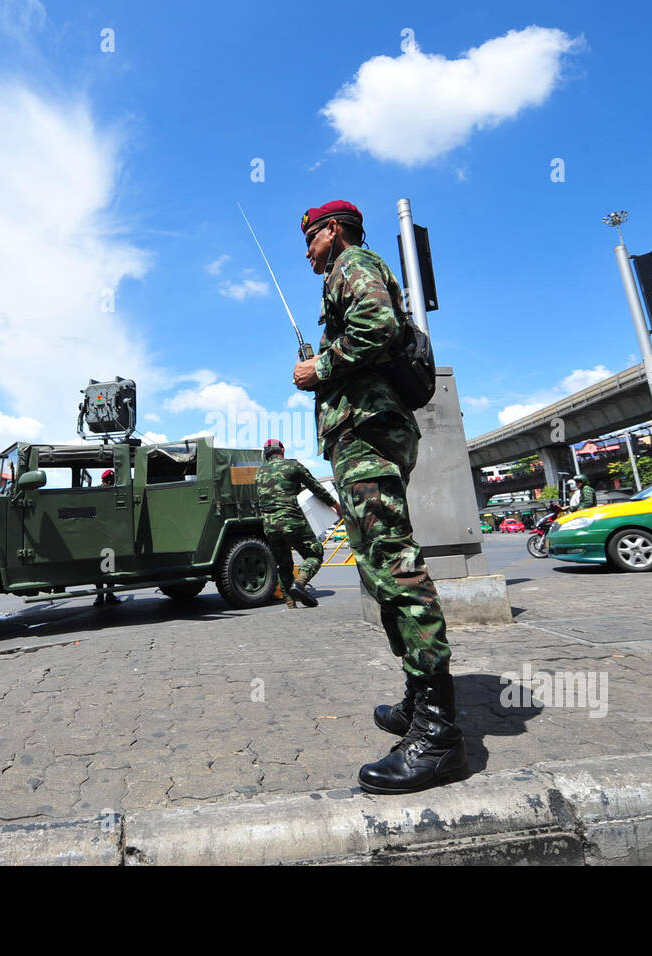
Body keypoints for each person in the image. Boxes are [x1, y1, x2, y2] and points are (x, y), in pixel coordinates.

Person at [293, 199, 465, 795]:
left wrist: (320, 367)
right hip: (363, 431)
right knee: (378, 563)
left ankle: (439, 734)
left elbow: (378, 327)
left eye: (311, 237)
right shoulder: (344, 271)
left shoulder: (353, 264)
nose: (307, 250)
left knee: (393, 563)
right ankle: (420, 700)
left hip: (368, 431)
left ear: (332, 231)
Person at [256, 438, 340, 609]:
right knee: (314, 553)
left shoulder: (259, 473)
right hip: (292, 520)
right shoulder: (293, 466)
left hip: (270, 526)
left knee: (284, 564)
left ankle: (291, 605)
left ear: (265, 455)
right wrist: (336, 507)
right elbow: (316, 488)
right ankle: (300, 583)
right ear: (283, 450)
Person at [94, 469, 119, 607]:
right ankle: (104, 595)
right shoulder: (104, 492)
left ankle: (104, 595)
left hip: (103, 535)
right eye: (111, 480)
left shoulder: (98, 491)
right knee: (105, 567)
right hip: (103, 535)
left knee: (104, 567)